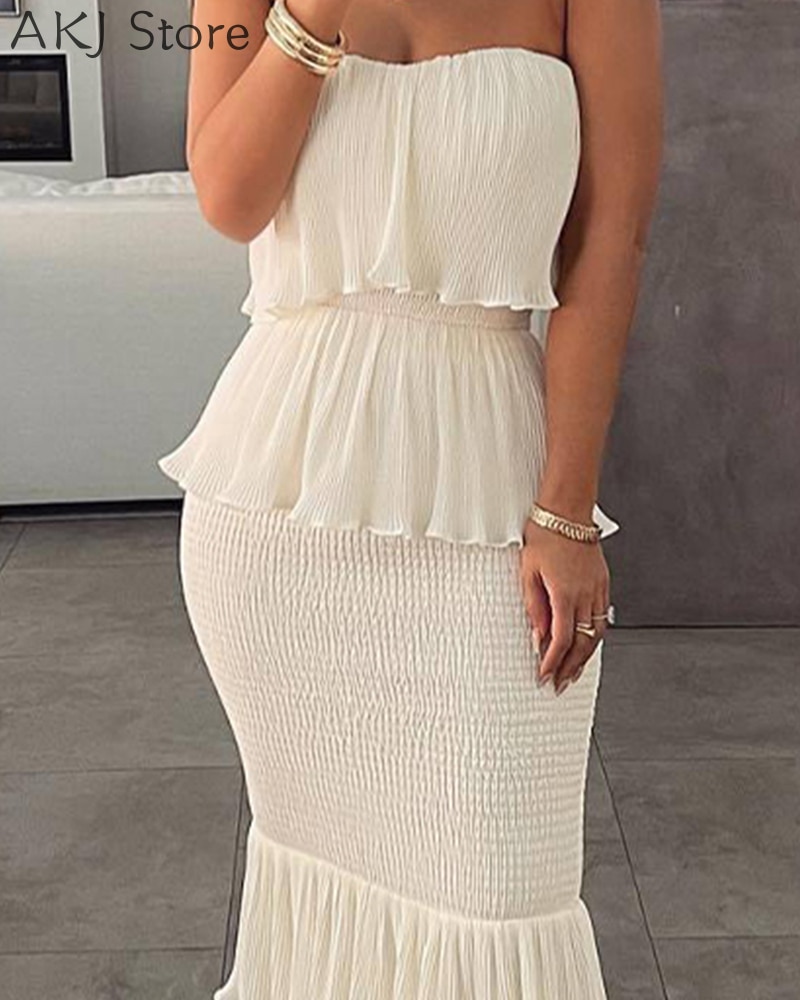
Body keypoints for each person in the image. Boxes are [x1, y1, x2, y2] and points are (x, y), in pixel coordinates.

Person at [158, 0, 663, 996]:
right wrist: (313, 13)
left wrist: (565, 511)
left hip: (489, 476)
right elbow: (229, 198)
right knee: (313, 860)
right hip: (279, 497)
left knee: (503, 890)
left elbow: (613, 233)